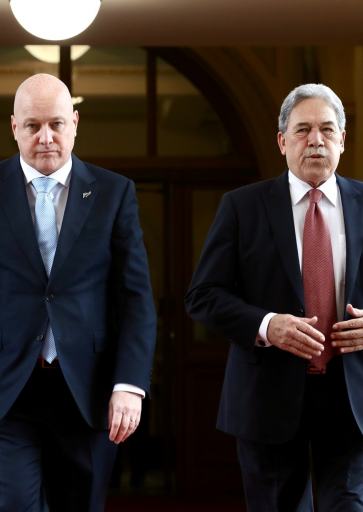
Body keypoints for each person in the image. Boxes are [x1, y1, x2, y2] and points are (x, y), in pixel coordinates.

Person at [0, 74, 157, 511]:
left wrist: (129, 383)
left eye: (56, 123)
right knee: (11, 503)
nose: (46, 137)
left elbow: (136, 299)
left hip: (88, 390)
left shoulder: (114, 193)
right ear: (13, 127)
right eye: (33, 126)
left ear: (75, 123)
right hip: (6, 388)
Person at [185, 83, 363, 511]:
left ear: (343, 139)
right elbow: (203, 296)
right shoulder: (242, 207)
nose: (315, 140)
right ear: (283, 142)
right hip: (268, 395)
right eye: (302, 130)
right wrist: (267, 325)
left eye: (326, 129)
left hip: (351, 396)